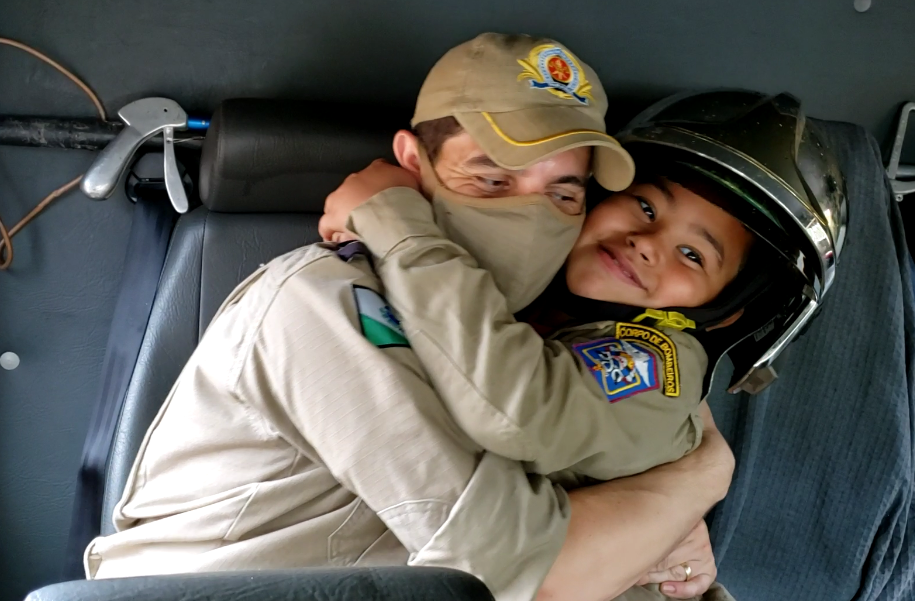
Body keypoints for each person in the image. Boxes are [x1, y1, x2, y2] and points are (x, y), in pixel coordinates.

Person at [85, 33, 735, 601]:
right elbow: (521, 573)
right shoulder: (326, 302)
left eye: (562, 193)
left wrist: (658, 536)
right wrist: (699, 477)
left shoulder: (511, 339)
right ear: (411, 163)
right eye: (491, 180)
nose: (532, 218)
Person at [319, 89, 848, 600]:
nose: (647, 243)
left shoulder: (661, 360)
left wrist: (396, 222)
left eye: (692, 255)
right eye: (644, 207)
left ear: (726, 310)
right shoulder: (532, 309)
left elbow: (518, 409)